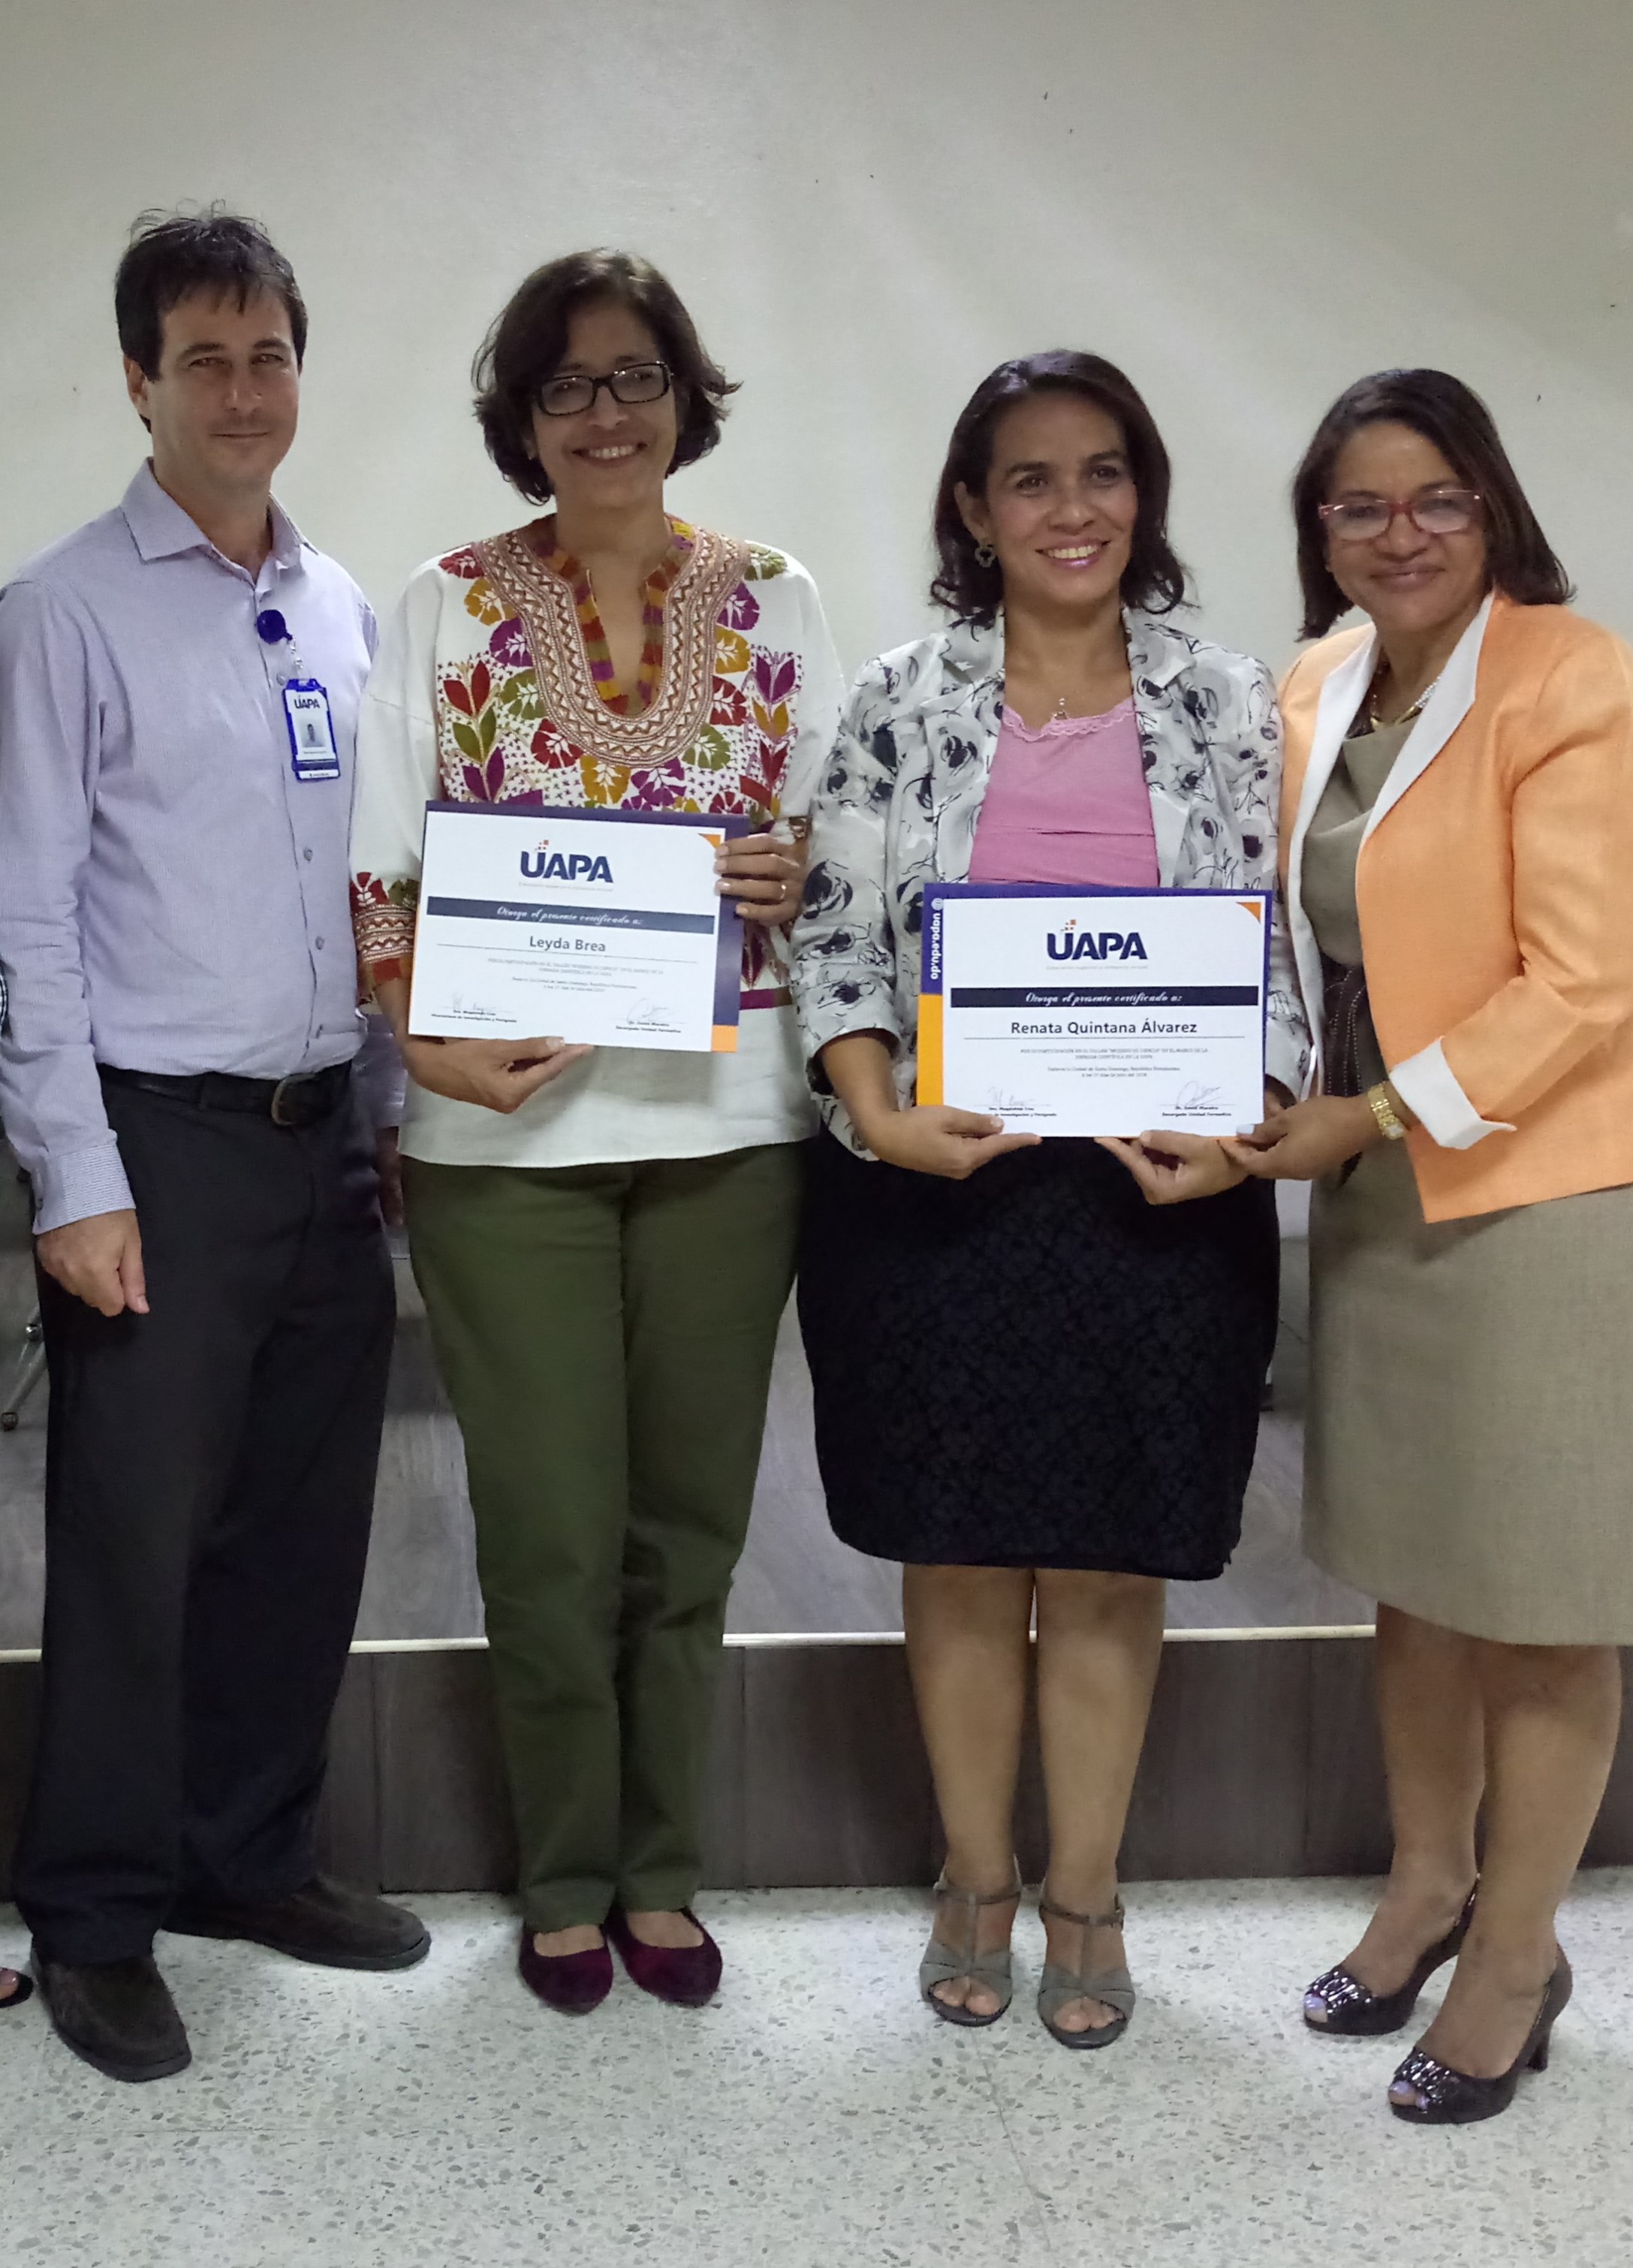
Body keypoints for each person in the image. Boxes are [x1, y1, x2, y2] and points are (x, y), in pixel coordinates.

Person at [791, 351, 1308, 2046]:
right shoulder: (896, 691)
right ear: (971, 506)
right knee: (953, 1561)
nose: (1069, 508)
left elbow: (1277, 960)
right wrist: (878, 1116)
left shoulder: (1228, 697)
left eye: (1101, 474)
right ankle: (972, 1881)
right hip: (936, 1197)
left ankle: (1083, 1888)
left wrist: (1245, 1130)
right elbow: (838, 943)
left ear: (1140, 496)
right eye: (1028, 478)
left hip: (1156, 1203)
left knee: (1100, 1568)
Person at [350, 250, 843, 2015]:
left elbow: (829, 846)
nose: (607, 413)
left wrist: (793, 868)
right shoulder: (446, 603)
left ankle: (662, 1867)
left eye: (635, 377)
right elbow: (381, 857)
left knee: (687, 1531)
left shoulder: (776, 593)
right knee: (550, 1532)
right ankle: (561, 1873)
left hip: (728, 1126)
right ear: (523, 419)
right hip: (506, 1143)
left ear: (682, 396)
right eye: (567, 386)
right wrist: (422, 1042)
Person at [0, 209, 428, 2085]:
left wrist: (399, 1101)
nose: (246, 393)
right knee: (127, 1547)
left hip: (326, 1131)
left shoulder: (336, 605)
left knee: (296, 1531)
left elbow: (371, 887)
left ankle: (244, 1857)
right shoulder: (63, 610)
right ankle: (93, 1910)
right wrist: (73, 1177)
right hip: (160, 1148)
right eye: (206, 360)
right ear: (139, 383)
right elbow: (23, 922)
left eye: (270, 357)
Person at [1224, 369, 1633, 2125]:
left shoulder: (1570, 677)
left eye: (1435, 500)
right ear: (1316, 530)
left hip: (1536, 1192)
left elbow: (1587, 978)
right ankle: (1420, 1882)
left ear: (1493, 509)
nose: (1397, 536)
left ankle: (1516, 1956)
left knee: (1534, 1601)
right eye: (1357, 507)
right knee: (1410, 1571)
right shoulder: (1315, 680)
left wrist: (1374, 1117)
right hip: (1375, 1189)